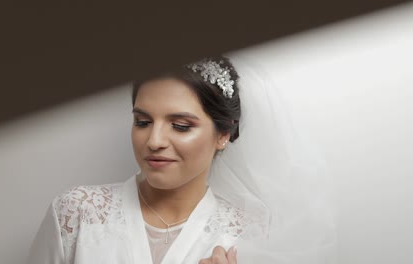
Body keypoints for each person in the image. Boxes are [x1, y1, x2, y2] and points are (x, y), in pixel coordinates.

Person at [28, 54, 336, 264]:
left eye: (180, 126)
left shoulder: (248, 234)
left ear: (223, 134)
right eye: (143, 122)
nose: (154, 141)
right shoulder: (76, 213)